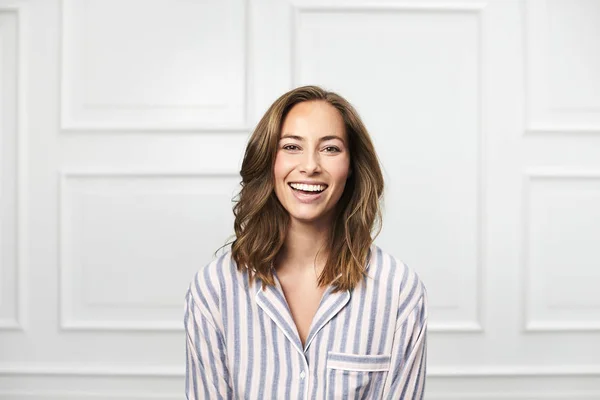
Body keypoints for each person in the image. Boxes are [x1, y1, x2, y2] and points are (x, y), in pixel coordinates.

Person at [184, 85, 428, 399]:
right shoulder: (214, 289)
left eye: (330, 149)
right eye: (291, 147)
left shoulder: (398, 291)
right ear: (268, 160)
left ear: (351, 165)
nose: (310, 166)